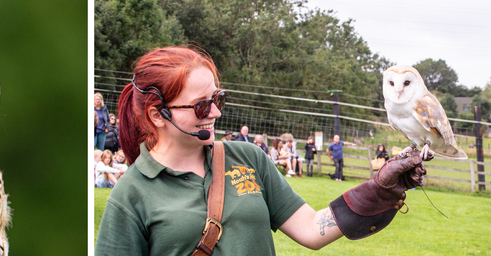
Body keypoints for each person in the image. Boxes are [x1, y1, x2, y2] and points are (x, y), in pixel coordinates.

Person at [96, 46, 426, 255]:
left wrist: (379, 190)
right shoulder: (131, 194)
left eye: (218, 98)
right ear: (158, 115)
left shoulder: (248, 158)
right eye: (201, 105)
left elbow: (312, 228)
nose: (216, 112)